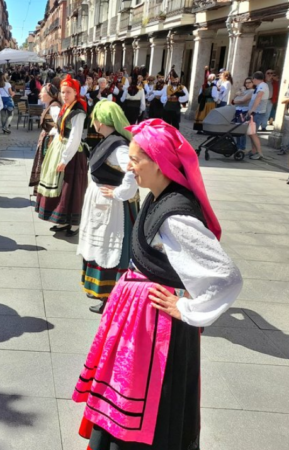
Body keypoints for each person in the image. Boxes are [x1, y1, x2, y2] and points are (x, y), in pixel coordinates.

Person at [73, 118, 242, 450]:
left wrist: (186, 307)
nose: (130, 166)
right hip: (139, 320)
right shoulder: (159, 195)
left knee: (147, 404)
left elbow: (226, 277)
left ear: (160, 163)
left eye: (136, 159)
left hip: (154, 328)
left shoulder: (176, 216)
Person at [77, 100, 139, 314]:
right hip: (103, 203)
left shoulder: (118, 146)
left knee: (112, 249)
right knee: (100, 245)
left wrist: (119, 193)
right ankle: (107, 297)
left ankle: (113, 299)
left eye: (94, 117)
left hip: (114, 208)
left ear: (100, 120)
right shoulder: (110, 141)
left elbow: (132, 171)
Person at [35, 75, 88, 236]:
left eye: (68, 92)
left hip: (71, 153)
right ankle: (63, 220)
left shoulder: (78, 111)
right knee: (60, 186)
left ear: (75, 93)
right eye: (63, 92)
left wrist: (65, 158)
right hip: (60, 146)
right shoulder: (66, 107)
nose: (65, 95)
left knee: (69, 187)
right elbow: (60, 128)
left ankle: (74, 223)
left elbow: (75, 136)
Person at [29, 84, 61, 196]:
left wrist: (51, 136)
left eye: (42, 92)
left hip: (50, 142)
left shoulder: (55, 108)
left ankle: (45, 190)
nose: (39, 94)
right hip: (47, 140)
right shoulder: (50, 106)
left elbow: (60, 127)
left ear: (49, 95)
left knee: (47, 165)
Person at [246, 71, 270, 160]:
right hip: (255, 112)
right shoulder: (260, 86)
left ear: (255, 79)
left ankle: (259, 153)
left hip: (258, 112)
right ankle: (253, 151)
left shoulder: (263, 86)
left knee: (253, 133)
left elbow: (259, 97)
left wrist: (252, 109)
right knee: (251, 132)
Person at [231, 77, 254, 154]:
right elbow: (234, 100)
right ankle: (238, 145)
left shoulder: (252, 91)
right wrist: (236, 96)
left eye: (249, 82)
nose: (247, 84)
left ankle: (242, 147)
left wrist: (237, 99)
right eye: (246, 83)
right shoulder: (244, 91)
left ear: (253, 83)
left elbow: (243, 100)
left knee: (242, 129)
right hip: (237, 110)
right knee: (237, 129)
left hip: (244, 111)